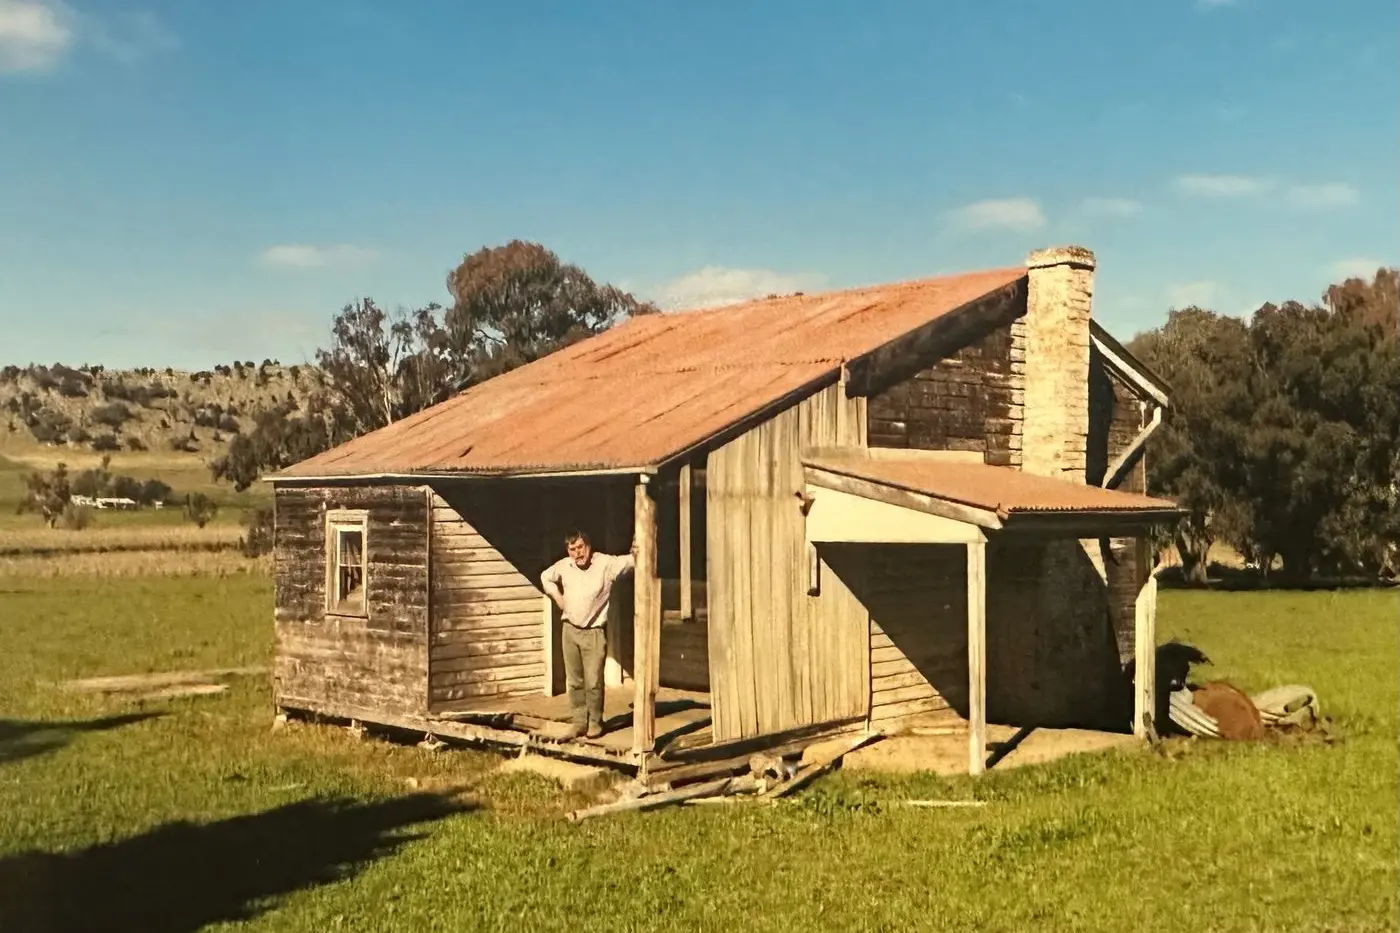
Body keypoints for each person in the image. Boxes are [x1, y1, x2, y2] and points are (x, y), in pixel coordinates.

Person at [540, 530, 636, 740]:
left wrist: (638, 545)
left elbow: (631, 561)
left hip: (593, 632)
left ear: (589, 546)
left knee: (593, 681)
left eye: (580, 548)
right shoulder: (564, 566)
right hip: (570, 631)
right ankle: (578, 722)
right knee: (574, 681)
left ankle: (595, 723)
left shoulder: (605, 564)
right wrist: (557, 596)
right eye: (572, 549)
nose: (577, 553)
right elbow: (545, 577)